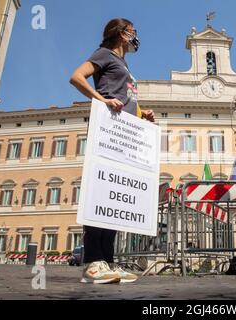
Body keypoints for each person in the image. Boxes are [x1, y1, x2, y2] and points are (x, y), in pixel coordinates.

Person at [70, 18, 155, 284]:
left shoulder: (125, 64)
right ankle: (93, 262)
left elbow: (126, 99)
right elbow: (76, 77)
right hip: (109, 130)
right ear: (121, 34)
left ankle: (106, 261)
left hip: (125, 133)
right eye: (132, 31)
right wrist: (103, 100)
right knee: (101, 193)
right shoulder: (104, 54)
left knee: (115, 199)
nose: (135, 36)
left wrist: (142, 115)